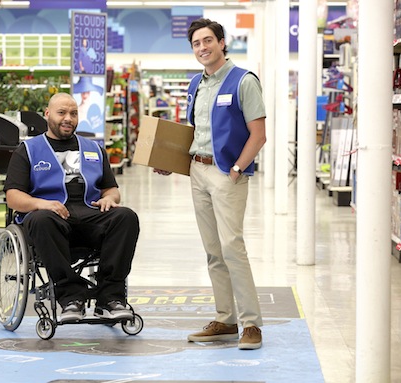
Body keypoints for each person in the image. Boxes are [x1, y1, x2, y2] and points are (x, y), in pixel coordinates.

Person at [155, 18, 266, 350]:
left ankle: (251, 324)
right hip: (197, 172)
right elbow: (195, 131)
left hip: (226, 173)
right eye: (196, 44)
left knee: (232, 247)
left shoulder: (243, 81)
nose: (202, 48)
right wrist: (171, 161)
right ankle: (225, 319)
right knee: (213, 251)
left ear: (221, 42)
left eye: (207, 41)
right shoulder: (195, 84)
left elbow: (258, 135)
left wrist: (235, 169)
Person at [3, 92, 140, 323]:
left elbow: (110, 188)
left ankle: (110, 298)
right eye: (62, 112)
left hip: (89, 213)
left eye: (73, 113)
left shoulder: (94, 149)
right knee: (40, 219)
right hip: (50, 218)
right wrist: (40, 204)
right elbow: (13, 196)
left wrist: (110, 198)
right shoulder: (28, 150)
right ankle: (70, 297)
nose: (68, 118)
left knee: (126, 217)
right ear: (47, 114)